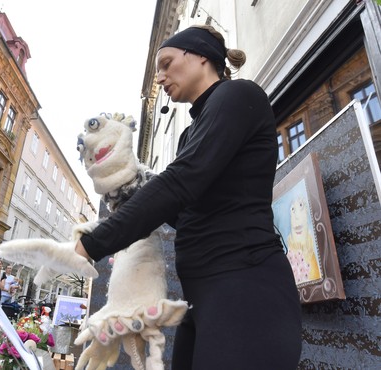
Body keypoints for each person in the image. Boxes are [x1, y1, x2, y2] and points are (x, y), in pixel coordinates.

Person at [72, 25, 302, 369]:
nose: (161, 77)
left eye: (167, 63)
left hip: (246, 288)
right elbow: (185, 210)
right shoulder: (190, 134)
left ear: (201, 55)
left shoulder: (239, 95)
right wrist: (129, 185)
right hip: (204, 296)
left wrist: (92, 243)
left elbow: (180, 183)